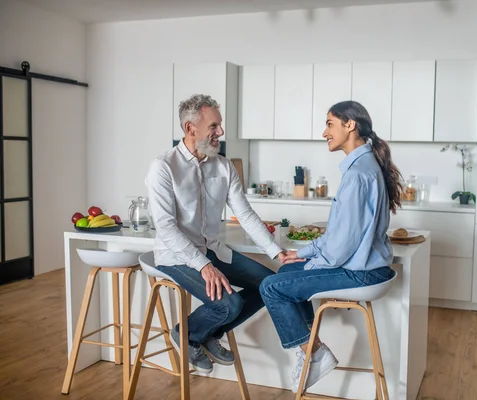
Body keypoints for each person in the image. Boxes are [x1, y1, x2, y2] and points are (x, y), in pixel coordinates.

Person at [259, 100, 403, 392]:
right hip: (369, 267)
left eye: (329, 124)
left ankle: (314, 353)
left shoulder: (358, 174)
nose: (324, 132)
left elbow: (340, 248)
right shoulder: (366, 165)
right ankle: (310, 351)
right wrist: (300, 254)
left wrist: (309, 262)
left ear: (350, 125)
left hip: (360, 272)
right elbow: (341, 235)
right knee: (284, 275)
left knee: (271, 287)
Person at [146, 94, 286, 373]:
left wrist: (276, 252)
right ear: (190, 129)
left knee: (270, 286)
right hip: (177, 256)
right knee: (229, 304)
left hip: (212, 249)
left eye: (219, 125)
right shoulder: (163, 167)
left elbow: (244, 214)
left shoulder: (224, 166)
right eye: (214, 126)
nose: (220, 132)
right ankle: (185, 334)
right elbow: (167, 227)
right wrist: (204, 265)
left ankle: (204, 335)